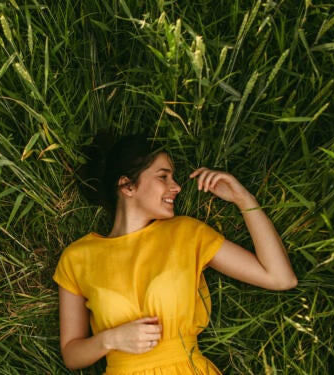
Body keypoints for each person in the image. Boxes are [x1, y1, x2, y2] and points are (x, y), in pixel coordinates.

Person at [53, 134, 297, 374]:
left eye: (174, 177)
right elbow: (72, 354)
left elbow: (280, 278)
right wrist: (111, 339)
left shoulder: (187, 233)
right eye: (163, 177)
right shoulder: (78, 258)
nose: (176, 187)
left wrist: (243, 199)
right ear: (127, 186)